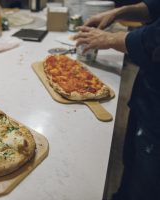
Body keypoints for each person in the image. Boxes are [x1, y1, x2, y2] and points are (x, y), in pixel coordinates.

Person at [73, 1, 160, 199]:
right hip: (148, 94)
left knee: (145, 188)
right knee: (130, 166)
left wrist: (111, 39)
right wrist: (120, 12)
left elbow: (155, 40)